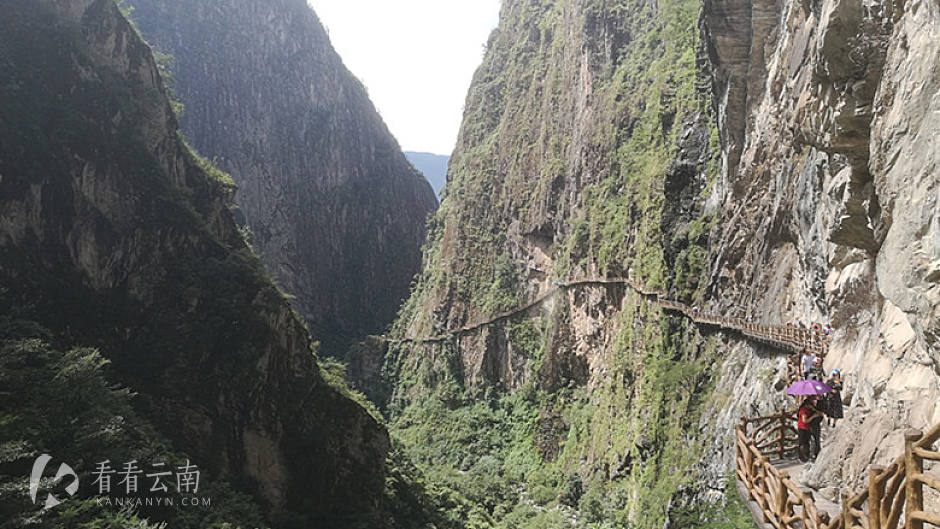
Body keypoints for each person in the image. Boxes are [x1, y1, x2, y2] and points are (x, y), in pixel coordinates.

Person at [798, 398, 823, 462]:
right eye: (810, 405)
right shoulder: (803, 410)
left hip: (808, 428)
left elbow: (820, 414)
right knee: (803, 443)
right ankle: (802, 457)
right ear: (807, 405)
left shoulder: (810, 409)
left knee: (807, 443)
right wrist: (813, 416)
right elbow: (805, 421)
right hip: (802, 428)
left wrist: (814, 409)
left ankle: (807, 456)